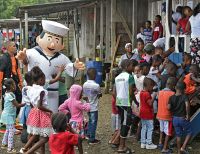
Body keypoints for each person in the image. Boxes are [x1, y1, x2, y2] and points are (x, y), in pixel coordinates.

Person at [16, 20, 85, 113]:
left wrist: (75, 66)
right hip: (34, 90)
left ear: (62, 45)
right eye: (49, 39)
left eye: (56, 41)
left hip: (53, 92)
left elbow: (69, 67)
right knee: (33, 111)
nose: (52, 44)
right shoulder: (31, 52)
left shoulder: (62, 58)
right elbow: (25, 62)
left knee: (51, 112)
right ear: (38, 39)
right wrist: (23, 58)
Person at [19, 66, 53, 154]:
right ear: (40, 79)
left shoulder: (29, 89)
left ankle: (25, 149)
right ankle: (27, 151)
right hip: (41, 113)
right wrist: (50, 111)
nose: (44, 81)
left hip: (33, 112)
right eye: (44, 79)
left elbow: (32, 103)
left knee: (35, 134)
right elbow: (40, 106)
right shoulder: (42, 91)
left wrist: (34, 108)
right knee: (45, 137)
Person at [114, 59, 138, 153]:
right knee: (125, 124)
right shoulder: (130, 77)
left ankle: (121, 144)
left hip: (119, 102)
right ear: (127, 66)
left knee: (123, 123)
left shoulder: (117, 77)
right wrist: (136, 102)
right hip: (126, 103)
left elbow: (115, 92)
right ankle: (121, 146)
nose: (133, 67)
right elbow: (131, 92)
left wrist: (117, 101)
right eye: (132, 65)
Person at [0, 78, 25, 153]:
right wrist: (25, 103)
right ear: (11, 86)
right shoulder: (11, 95)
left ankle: (4, 143)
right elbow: (17, 105)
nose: (15, 85)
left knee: (8, 130)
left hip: (7, 115)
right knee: (11, 132)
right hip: (9, 116)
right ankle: (10, 148)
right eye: (14, 84)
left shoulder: (7, 93)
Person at [168, 82, 192, 154]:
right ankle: (183, 148)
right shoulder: (184, 96)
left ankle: (179, 151)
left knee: (178, 135)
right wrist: (188, 115)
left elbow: (168, 107)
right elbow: (187, 105)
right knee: (190, 132)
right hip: (182, 118)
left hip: (174, 119)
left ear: (175, 88)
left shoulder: (171, 97)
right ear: (184, 89)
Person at [0, 41, 23, 114]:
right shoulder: (3, 58)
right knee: (6, 99)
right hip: (7, 82)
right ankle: (5, 118)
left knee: (19, 96)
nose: (15, 47)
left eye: (15, 46)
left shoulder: (15, 58)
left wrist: (20, 81)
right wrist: (0, 86)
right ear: (8, 48)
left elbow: (17, 69)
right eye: (14, 46)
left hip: (14, 81)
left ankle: (15, 115)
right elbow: (1, 72)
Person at [157, 77, 176, 153]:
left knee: (161, 130)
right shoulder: (172, 94)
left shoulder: (160, 92)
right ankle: (165, 148)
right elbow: (172, 106)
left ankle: (160, 143)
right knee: (168, 132)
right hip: (167, 116)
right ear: (173, 85)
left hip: (159, 115)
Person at [83, 68, 102, 144]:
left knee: (90, 120)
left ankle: (88, 134)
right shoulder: (96, 85)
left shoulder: (84, 84)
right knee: (93, 122)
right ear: (94, 75)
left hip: (87, 106)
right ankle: (92, 139)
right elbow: (99, 94)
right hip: (93, 107)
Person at [140, 77, 157, 149]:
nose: (152, 88)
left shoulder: (141, 92)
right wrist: (154, 96)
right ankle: (149, 143)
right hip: (148, 113)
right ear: (149, 85)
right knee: (150, 127)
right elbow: (150, 104)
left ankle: (143, 142)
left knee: (144, 127)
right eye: (152, 87)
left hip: (142, 112)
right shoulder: (147, 94)